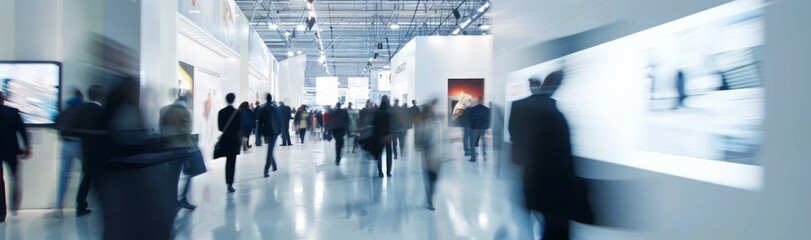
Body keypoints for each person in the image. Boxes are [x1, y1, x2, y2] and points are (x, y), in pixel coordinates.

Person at [509, 71, 575, 239]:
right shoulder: (553, 113)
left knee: (532, 212)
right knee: (553, 226)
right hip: (549, 179)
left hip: (531, 173)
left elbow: (514, 133)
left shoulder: (519, 106)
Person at [73, 85, 107, 218]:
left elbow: (76, 129)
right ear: (101, 95)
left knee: (87, 178)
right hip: (100, 151)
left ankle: (81, 205)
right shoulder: (102, 112)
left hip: (86, 149)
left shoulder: (82, 110)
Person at [159, 94, 197, 210]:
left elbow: (161, 127)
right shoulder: (186, 112)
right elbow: (188, 129)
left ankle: (171, 199)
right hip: (183, 147)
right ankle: (182, 198)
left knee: (172, 174)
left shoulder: (164, 110)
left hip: (168, 147)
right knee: (191, 171)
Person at [53, 89, 84, 217]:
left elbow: (56, 124)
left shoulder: (65, 110)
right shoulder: (83, 110)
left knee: (63, 177)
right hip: (80, 144)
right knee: (87, 175)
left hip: (65, 144)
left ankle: (58, 206)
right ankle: (81, 205)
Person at [0, 91, 31, 222]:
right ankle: (14, 204)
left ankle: (1, 213)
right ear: (4, 99)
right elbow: (22, 130)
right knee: (15, 178)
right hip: (12, 150)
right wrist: (27, 147)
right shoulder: (13, 112)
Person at [415, 99, 439, 211]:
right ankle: (430, 201)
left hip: (436, 154)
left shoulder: (435, 121)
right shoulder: (421, 123)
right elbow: (418, 141)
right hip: (428, 156)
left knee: (433, 179)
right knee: (430, 179)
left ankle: (429, 199)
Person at [218, 93, 242, 193]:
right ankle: (230, 184)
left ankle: (227, 181)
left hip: (225, 140)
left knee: (227, 161)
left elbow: (220, 128)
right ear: (233, 100)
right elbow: (239, 128)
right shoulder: (237, 112)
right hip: (234, 140)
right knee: (232, 161)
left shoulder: (221, 112)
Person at [257, 94, 282, 177]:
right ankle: (269, 168)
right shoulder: (275, 108)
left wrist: (258, 136)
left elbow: (259, 123)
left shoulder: (262, 108)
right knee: (270, 150)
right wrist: (280, 131)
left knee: (270, 149)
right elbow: (279, 120)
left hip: (266, 132)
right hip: (274, 132)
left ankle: (270, 167)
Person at [372, 96, 395, 177]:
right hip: (388, 136)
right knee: (389, 155)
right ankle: (388, 172)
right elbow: (392, 124)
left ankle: (380, 172)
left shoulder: (377, 111)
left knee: (379, 155)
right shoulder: (389, 111)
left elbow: (374, 124)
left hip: (379, 137)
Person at [469, 96, 491, 162]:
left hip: (475, 128)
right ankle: (484, 156)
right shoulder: (487, 109)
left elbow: (472, 118)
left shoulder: (474, 109)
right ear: (483, 101)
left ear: (478, 101)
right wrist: (487, 127)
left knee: (472, 143)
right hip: (483, 128)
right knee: (484, 143)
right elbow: (489, 119)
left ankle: (473, 158)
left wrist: (471, 126)